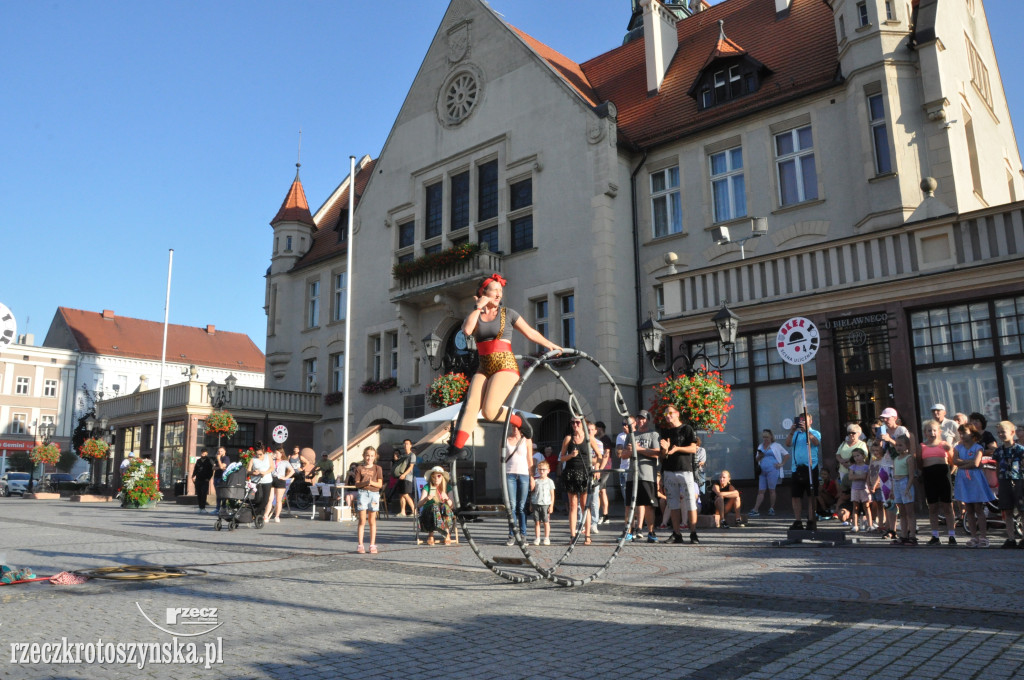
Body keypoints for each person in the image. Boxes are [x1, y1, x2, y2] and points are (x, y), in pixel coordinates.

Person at [446, 274, 562, 459]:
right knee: (471, 406)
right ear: (484, 293)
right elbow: (467, 330)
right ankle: (456, 447)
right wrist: (478, 307)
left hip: (505, 364)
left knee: (490, 412)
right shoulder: (476, 315)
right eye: (494, 290)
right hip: (484, 366)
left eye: (501, 290)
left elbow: (530, 332)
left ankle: (518, 420)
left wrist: (550, 345)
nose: (499, 294)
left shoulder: (508, 314)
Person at [658, 404, 699, 544]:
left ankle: (693, 533)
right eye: (665, 414)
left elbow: (693, 448)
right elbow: (662, 456)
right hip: (669, 471)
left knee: (690, 502)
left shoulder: (686, 429)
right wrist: (665, 449)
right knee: (673, 504)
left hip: (685, 470)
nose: (668, 416)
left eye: (670, 413)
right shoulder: (665, 432)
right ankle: (676, 533)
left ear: (677, 413)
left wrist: (677, 449)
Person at [953, 425, 996, 548]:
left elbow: (976, 463)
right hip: (963, 480)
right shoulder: (958, 447)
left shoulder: (978, 447)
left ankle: (983, 536)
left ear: (972, 433)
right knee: (969, 510)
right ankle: (973, 536)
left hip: (975, 480)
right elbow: (955, 461)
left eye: (964, 432)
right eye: (960, 433)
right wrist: (969, 462)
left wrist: (963, 463)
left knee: (978, 508)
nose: (962, 435)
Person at [620, 410, 660, 542]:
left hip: (647, 475)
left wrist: (639, 449)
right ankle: (628, 532)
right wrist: (631, 451)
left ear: (648, 420)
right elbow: (623, 455)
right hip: (633, 475)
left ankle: (651, 532)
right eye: (638, 419)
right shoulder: (631, 435)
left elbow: (656, 453)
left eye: (643, 419)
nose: (640, 421)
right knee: (629, 505)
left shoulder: (653, 434)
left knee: (648, 505)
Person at [559, 417, 596, 545]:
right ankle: (573, 535)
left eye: (577, 422)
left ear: (583, 424)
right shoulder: (568, 438)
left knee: (585, 505)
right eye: (573, 422)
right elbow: (561, 458)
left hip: (585, 473)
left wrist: (596, 468)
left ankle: (587, 535)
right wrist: (570, 456)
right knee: (573, 505)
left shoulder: (588, 438)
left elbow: (600, 456)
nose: (575, 424)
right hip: (571, 473)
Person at [920, 420, 956, 546]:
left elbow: (953, 461)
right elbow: (919, 463)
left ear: (939, 432)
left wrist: (950, 472)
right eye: (929, 430)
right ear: (925, 433)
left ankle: (952, 535)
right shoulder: (922, 446)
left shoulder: (944, 445)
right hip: (929, 476)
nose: (932, 433)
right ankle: (935, 535)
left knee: (947, 506)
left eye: (934, 430)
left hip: (943, 475)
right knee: (933, 507)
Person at [784, 413, 821, 531]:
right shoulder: (796, 434)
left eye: (805, 421)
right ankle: (798, 520)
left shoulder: (815, 433)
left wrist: (807, 431)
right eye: (801, 421)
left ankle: (811, 520)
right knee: (795, 496)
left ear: (810, 421)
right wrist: (792, 431)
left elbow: (816, 442)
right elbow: (788, 443)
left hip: (810, 468)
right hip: (797, 468)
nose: (802, 423)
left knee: (811, 496)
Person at [993, 420, 1024, 548]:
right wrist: (998, 480)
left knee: (1022, 510)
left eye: (1003, 432)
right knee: (1007, 510)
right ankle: (1011, 538)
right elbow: (998, 466)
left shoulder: (1020, 449)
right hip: (1004, 480)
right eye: (999, 432)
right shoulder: (998, 451)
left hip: (1019, 480)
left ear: (1012, 433)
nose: (1001, 434)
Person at [504, 424, 533, 546]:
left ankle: (523, 535)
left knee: (522, 506)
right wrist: (501, 478)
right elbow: (501, 460)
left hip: (523, 475)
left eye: (517, 427)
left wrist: (532, 477)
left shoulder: (527, 440)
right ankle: (512, 535)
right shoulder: (505, 440)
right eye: (513, 426)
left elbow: (530, 459)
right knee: (512, 506)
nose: (515, 429)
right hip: (510, 474)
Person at [352, 446, 383, 554]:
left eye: (371, 456)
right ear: (364, 456)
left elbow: (379, 484)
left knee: (372, 521)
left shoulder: (377, 468)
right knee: (362, 520)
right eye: (367, 455)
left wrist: (371, 483)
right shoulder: (359, 468)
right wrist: (365, 483)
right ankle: (360, 545)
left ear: (375, 457)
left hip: (374, 494)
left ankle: (372, 544)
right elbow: (356, 484)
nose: (369, 458)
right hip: (363, 493)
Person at [750, 429, 787, 517]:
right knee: (761, 490)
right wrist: (760, 456)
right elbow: (756, 459)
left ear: (771, 436)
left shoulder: (776, 445)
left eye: (766, 437)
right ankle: (755, 509)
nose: (765, 439)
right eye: (763, 437)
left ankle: (772, 508)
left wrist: (781, 464)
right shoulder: (760, 446)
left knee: (771, 490)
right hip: (762, 470)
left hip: (773, 469)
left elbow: (787, 454)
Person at [835, 423, 868, 517]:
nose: (851, 435)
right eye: (849, 433)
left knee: (857, 493)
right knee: (845, 493)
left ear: (858, 433)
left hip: (855, 472)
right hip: (843, 471)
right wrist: (842, 461)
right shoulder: (843, 443)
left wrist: (850, 463)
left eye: (853, 433)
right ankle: (845, 514)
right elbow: (837, 454)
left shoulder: (862, 444)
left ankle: (859, 514)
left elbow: (863, 457)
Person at [417, 466, 455, 545]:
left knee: (444, 507)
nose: (436, 478)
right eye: (433, 476)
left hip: (443, 512)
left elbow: (452, 506)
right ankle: (431, 535)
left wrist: (447, 499)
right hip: (429, 513)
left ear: (442, 477)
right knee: (434, 506)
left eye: (438, 476)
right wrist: (426, 499)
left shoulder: (447, 488)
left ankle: (447, 534)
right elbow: (419, 505)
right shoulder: (427, 487)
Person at [892, 435, 918, 545]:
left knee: (909, 512)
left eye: (900, 445)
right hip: (897, 484)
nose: (898, 447)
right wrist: (892, 490)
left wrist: (907, 488)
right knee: (901, 512)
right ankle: (903, 535)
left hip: (905, 482)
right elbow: (894, 474)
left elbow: (912, 475)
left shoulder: (909, 458)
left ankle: (912, 535)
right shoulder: (896, 459)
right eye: (896, 445)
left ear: (906, 446)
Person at [867, 440, 895, 538]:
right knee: (878, 505)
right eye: (873, 451)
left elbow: (881, 474)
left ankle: (887, 524)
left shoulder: (883, 460)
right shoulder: (872, 459)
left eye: (877, 450)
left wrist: (874, 485)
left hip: (880, 486)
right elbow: (870, 471)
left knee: (885, 505)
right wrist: (868, 483)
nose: (875, 453)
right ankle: (880, 525)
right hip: (872, 485)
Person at [586, 421, 606, 535]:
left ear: (595, 431)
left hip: (594, 473)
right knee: (582, 500)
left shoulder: (599, 443)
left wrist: (597, 468)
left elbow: (599, 458)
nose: (589, 432)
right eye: (587, 430)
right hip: (584, 472)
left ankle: (594, 523)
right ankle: (582, 522)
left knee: (594, 499)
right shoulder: (583, 441)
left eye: (591, 430)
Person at [264, 449, 294, 523]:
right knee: (270, 499)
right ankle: (266, 515)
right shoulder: (272, 461)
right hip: (272, 479)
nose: (276, 455)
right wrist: (271, 456)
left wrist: (286, 477)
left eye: (277, 453)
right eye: (275, 453)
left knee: (278, 500)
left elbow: (292, 471)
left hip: (280, 480)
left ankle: (277, 516)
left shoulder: (285, 462)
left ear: (281, 454)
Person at [531, 461, 555, 545]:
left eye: (544, 470)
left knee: (546, 521)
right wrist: (531, 504)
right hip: (536, 503)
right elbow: (532, 493)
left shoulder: (550, 481)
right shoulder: (536, 481)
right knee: (537, 522)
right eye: (540, 469)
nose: (541, 471)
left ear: (548, 470)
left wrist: (551, 505)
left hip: (545, 503)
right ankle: (537, 538)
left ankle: (546, 538)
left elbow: (552, 494)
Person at [247, 444, 273, 520]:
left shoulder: (268, 457)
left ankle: (253, 514)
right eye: (257, 454)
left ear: (263, 451)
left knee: (265, 500)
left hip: (267, 481)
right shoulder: (253, 459)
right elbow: (248, 471)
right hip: (256, 482)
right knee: (257, 499)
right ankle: (258, 516)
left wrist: (265, 472)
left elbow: (272, 467)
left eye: (260, 454)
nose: (258, 456)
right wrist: (253, 472)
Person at [595, 421, 614, 524]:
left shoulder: (605, 439)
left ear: (600, 428)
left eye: (596, 428)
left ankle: (599, 515)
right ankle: (604, 515)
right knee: (602, 491)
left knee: (597, 490)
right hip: (602, 468)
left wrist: (600, 469)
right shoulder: (599, 440)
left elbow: (606, 454)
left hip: (604, 468)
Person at [848, 449, 871, 533]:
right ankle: (855, 525)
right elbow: (850, 477)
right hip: (855, 489)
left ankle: (870, 524)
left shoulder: (866, 467)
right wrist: (861, 476)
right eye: (854, 456)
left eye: (858, 455)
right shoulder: (853, 467)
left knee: (866, 507)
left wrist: (856, 476)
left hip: (864, 488)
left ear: (863, 456)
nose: (856, 458)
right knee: (855, 507)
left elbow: (866, 476)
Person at [391, 439, 417, 517]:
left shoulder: (412, 455)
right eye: (404, 444)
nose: (405, 445)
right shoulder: (403, 455)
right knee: (401, 494)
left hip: (407, 478)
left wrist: (404, 474)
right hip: (401, 477)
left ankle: (414, 510)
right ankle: (403, 511)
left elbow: (411, 467)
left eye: (407, 444)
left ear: (410, 445)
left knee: (405, 494)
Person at [191, 448, 215, 514]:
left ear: (207, 453)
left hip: (205, 479)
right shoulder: (198, 461)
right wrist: (193, 476)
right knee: (199, 493)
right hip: (198, 479)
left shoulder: (209, 460)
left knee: (204, 493)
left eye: (204, 453)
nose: (203, 454)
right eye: (202, 452)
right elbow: (195, 469)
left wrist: (209, 478)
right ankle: (200, 507)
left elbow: (211, 470)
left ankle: (203, 507)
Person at [214, 447, 231, 514]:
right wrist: (219, 467)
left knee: (222, 493)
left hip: (222, 477)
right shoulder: (218, 459)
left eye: (221, 451)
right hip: (216, 477)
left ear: (224, 451)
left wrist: (218, 460)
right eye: (218, 451)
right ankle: (217, 508)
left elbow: (222, 466)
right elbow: (213, 467)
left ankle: (223, 508)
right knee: (218, 494)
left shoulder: (226, 458)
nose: (219, 452)